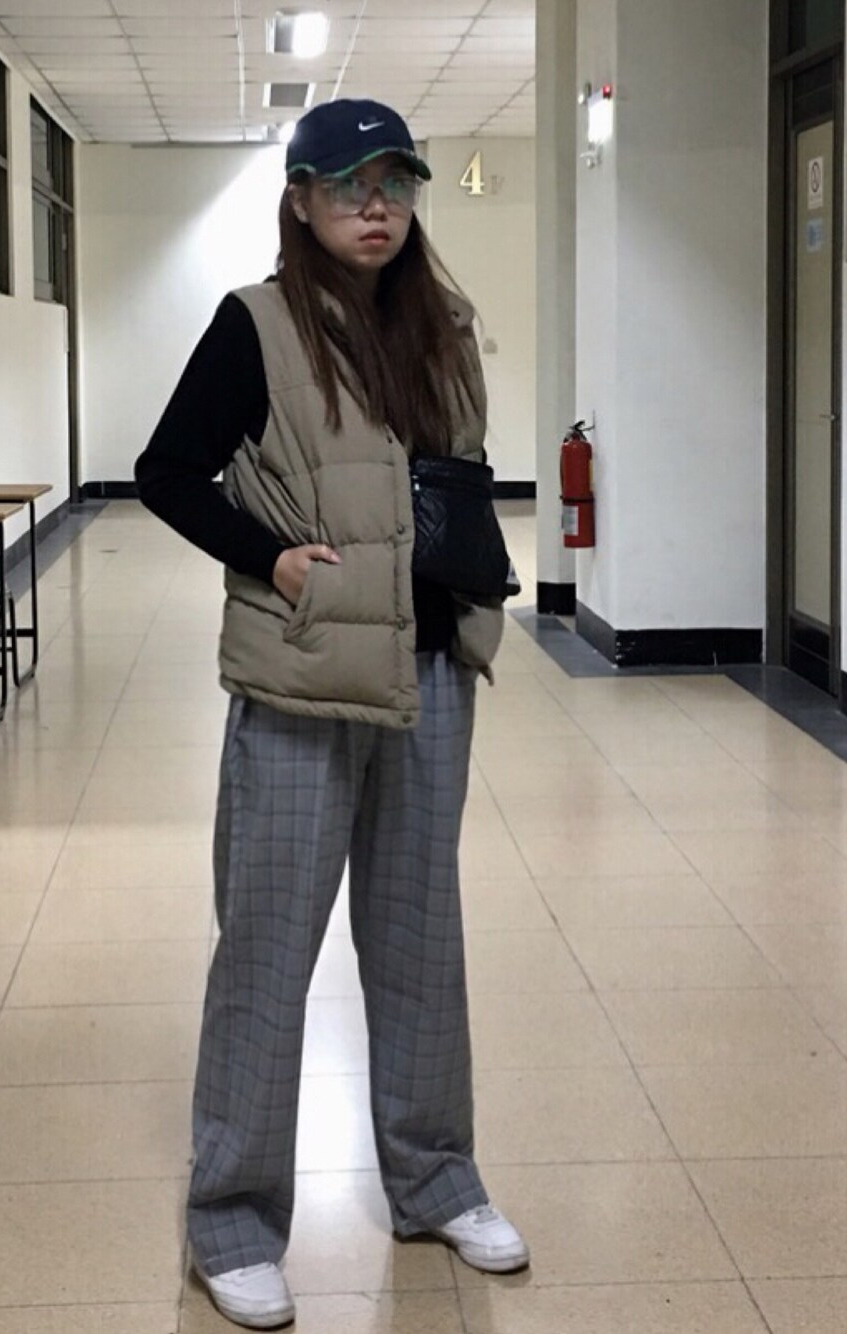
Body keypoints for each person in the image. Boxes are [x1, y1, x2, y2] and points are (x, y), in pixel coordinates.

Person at [135, 97, 528, 1332]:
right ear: (300, 200)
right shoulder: (253, 325)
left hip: (426, 670)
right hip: (302, 674)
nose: (375, 204)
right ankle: (231, 1220)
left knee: (417, 941)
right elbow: (165, 472)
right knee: (267, 950)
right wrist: (271, 558)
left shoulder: (441, 325)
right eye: (348, 183)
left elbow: (454, 480)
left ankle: (435, 1179)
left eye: (395, 183)